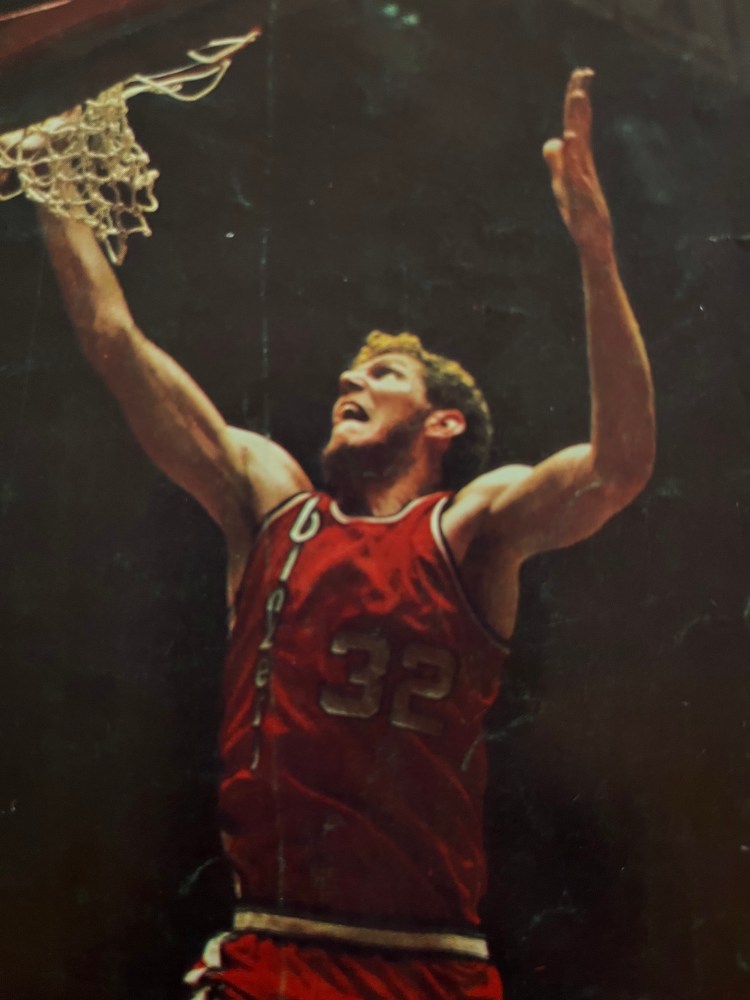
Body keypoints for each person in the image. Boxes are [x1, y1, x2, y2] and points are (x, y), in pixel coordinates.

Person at [34, 68, 654, 999]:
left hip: (432, 964)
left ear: (444, 423)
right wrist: (51, 174)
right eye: (352, 375)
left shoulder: (470, 528)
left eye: (384, 374)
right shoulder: (270, 503)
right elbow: (116, 344)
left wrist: (597, 256)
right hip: (277, 952)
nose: (349, 381)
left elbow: (620, 468)